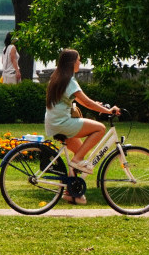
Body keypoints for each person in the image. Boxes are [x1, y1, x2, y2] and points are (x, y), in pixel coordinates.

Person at [44, 49, 120, 204]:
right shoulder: (69, 80)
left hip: (53, 123)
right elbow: (86, 102)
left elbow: (77, 100)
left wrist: (97, 106)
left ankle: (71, 193)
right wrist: (107, 110)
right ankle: (77, 162)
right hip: (63, 123)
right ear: (72, 62)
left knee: (79, 153)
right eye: (79, 59)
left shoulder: (57, 77)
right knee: (100, 128)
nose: (80, 62)